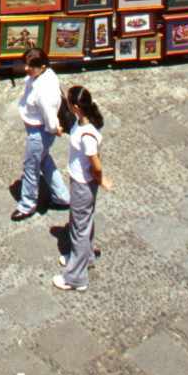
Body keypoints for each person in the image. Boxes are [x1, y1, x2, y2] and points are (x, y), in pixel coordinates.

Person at [52, 84, 110, 293]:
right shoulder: (82, 121)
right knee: (82, 222)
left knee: (79, 228)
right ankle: (85, 256)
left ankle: (76, 277)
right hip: (81, 181)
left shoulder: (87, 136)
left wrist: (101, 179)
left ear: (76, 107)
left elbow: (96, 163)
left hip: (83, 184)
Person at [11, 47, 69, 220]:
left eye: (31, 66)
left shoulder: (44, 89)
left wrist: (54, 128)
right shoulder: (43, 75)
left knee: (31, 166)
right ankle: (62, 197)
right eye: (26, 64)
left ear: (42, 67)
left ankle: (27, 205)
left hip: (39, 132)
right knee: (43, 160)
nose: (26, 69)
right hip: (37, 129)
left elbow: (49, 115)